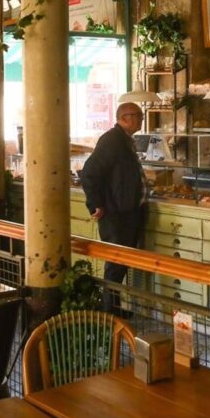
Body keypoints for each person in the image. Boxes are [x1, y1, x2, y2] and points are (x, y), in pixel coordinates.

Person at [78, 102, 146, 313]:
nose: (142, 119)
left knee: (121, 263)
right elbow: (89, 172)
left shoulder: (123, 140)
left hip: (127, 212)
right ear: (125, 118)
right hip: (116, 214)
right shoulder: (112, 140)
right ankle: (109, 311)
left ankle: (113, 308)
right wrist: (95, 203)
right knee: (115, 263)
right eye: (138, 115)